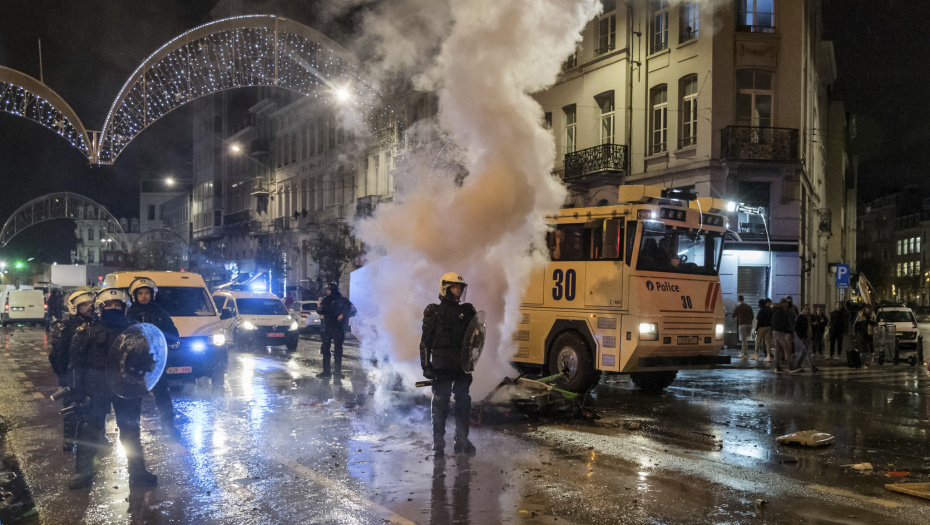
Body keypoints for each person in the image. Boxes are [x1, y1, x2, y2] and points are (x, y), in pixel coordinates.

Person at [68, 287, 157, 489]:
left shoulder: (135, 332)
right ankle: (83, 471)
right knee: (89, 430)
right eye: (109, 305)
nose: (113, 308)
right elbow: (76, 364)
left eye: (118, 305)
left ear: (124, 307)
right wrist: (77, 390)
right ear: (101, 307)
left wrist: (144, 358)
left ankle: (138, 471)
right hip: (96, 387)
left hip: (126, 387)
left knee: (131, 429)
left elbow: (146, 362)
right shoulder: (87, 332)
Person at [420, 272, 477, 457]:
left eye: (460, 287)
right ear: (445, 288)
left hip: (461, 364)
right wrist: (426, 366)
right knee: (440, 402)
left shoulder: (467, 311)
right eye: (455, 287)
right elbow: (425, 342)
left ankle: (462, 439)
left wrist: (471, 359)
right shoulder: (434, 312)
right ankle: (438, 443)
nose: (458, 290)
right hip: (442, 364)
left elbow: (475, 339)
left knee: (463, 401)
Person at [125, 277, 180, 437]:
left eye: (146, 293)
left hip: (156, 362)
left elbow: (173, 334)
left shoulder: (160, 313)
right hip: (134, 363)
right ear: (135, 295)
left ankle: (169, 428)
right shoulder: (128, 314)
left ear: (152, 295)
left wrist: (165, 339)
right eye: (140, 293)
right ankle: (131, 431)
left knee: (164, 397)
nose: (143, 296)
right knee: (133, 399)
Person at [48, 291, 96, 452]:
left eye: (91, 303)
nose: (89, 307)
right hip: (72, 375)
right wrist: (65, 376)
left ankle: (95, 438)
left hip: (91, 375)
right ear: (75, 307)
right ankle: (68, 439)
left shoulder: (97, 325)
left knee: (94, 407)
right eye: (84, 304)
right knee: (71, 407)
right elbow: (57, 355)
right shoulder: (66, 327)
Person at [316, 282, 354, 379]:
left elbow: (352, 310)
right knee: (325, 349)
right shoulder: (326, 300)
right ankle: (326, 371)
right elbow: (321, 311)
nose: (328, 292)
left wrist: (343, 315)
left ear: (333, 290)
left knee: (338, 350)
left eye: (329, 290)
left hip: (338, 327)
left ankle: (337, 371)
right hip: (327, 327)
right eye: (327, 290)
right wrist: (319, 309)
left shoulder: (342, 300)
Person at [792, 304, 818, 373]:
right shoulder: (800, 317)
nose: (807, 310)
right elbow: (796, 328)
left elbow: (816, 325)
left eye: (808, 309)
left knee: (804, 352)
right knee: (808, 351)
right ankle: (812, 367)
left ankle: (798, 364)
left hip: (810, 336)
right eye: (806, 309)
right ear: (803, 309)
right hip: (804, 336)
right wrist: (800, 335)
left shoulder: (812, 316)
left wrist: (815, 324)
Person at [771, 299, 792, 373]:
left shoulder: (775, 310)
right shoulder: (780, 311)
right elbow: (782, 322)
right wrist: (787, 331)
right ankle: (790, 366)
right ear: (783, 303)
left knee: (777, 350)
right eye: (786, 303)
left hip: (775, 331)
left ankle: (777, 366)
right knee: (786, 348)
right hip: (779, 332)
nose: (787, 304)